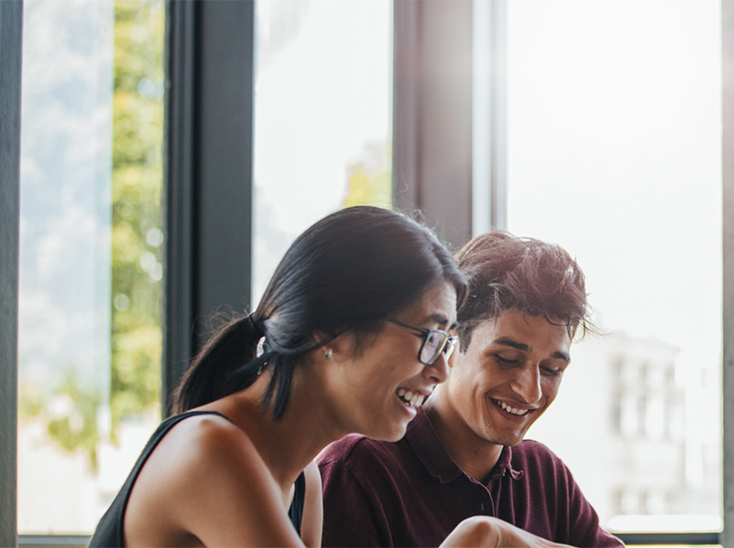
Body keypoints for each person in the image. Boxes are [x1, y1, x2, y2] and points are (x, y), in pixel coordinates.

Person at [88, 206, 467, 547]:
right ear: (331, 329)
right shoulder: (213, 450)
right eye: (429, 337)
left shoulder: (305, 481)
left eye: (446, 343)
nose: (441, 371)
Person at [318, 231, 621, 547]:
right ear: (450, 342)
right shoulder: (358, 471)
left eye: (551, 370)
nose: (531, 392)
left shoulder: (544, 475)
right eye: (506, 359)